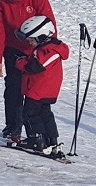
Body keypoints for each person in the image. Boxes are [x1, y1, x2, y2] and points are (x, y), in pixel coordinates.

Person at [0, 0, 56, 144]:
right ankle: (13, 128)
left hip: (35, 52)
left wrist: (46, 53)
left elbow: (49, 26)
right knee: (13, 88)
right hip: (13, 51)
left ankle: (38, 134)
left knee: (34, 93)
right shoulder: (0, 2)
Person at [14, 15, 69, 154]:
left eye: (31, 40)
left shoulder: (49, 50)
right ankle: (51, 140)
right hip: (44, 89)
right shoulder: (49, 48)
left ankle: (36, 139)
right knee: (45, 114)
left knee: (29, 114)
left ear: (41, 37)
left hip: (39, 89)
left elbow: (36, 66)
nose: (30, 43)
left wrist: (20, 63)